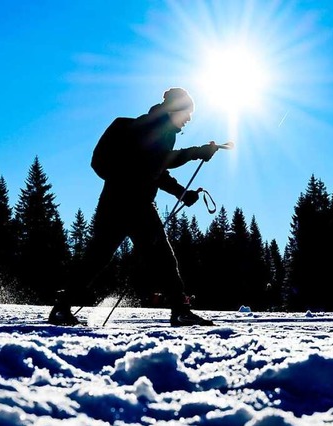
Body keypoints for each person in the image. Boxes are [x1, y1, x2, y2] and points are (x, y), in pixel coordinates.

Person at [48, 87, 218, 326]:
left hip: (122, 203)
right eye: (187, 112)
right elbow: (155, 161)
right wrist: (194, 153)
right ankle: (179, 311)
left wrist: (182, 193)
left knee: (101, 257)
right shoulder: (147, 127)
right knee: (157, 258)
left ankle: (61, 309)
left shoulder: (161, 132)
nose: (189, 118)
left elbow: (155, 171)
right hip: (127, 203)